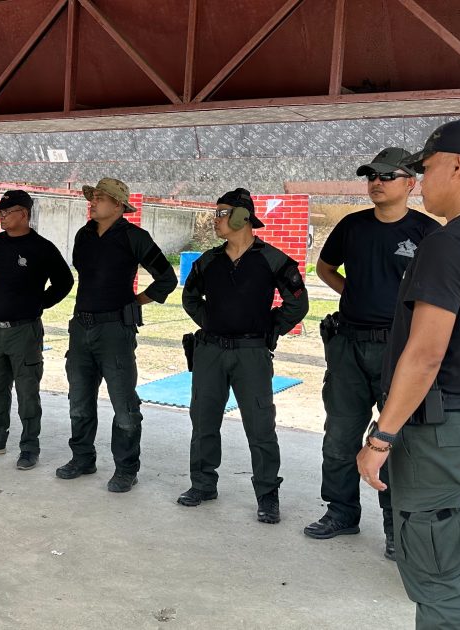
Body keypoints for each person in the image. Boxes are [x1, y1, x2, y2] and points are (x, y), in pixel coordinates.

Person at [357, 118, 460, 629]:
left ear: (456, 166)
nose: (421, 181)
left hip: (440, 433)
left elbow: (425, 354)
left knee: (436, 579)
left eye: (426, 168)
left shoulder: (449, 243)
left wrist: (381, 438)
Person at [304, 148, 439, 556]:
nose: (376, 182)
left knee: (394, 437)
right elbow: (325, 268)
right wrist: (354, 294)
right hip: (347, 344)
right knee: (340, 434)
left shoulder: (428, 233)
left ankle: (396, 526)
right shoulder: (352, 226)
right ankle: (341, 512)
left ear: (410, 183)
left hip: (398, 347)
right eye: (371, 176)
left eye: (387, 176)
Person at [180, 188, 308, 521]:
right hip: (210, 351)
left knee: (260, 426)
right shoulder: (208, 261)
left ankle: (267, 495)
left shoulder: (273, 259)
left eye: (221, 213)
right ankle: (202, 484)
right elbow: (190, 298)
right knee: (203, 421)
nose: (215, 220)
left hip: (252, 354)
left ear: (241, 217)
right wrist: (209, 322)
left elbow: (297, 304)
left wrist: (271, 328)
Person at [57, 177, 177, 492]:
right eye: (92, 197)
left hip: (115, 331)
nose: (92, 202)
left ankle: (126, 469)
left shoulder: (135, 237)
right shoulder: (84, 235)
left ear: (118, 205)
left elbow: (167, 278)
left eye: (100, 197)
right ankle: (82, 458)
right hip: (80, 328)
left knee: (124, 405)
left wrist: (136, 301)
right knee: (79, 400)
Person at [0, 190, 72, 470]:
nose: (1, 217)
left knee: (27, 392)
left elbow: (65, 281)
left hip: (24, 332)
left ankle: (29, 447)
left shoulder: (42, 248)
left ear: (23, 214)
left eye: (6, 212)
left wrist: (39, 303)